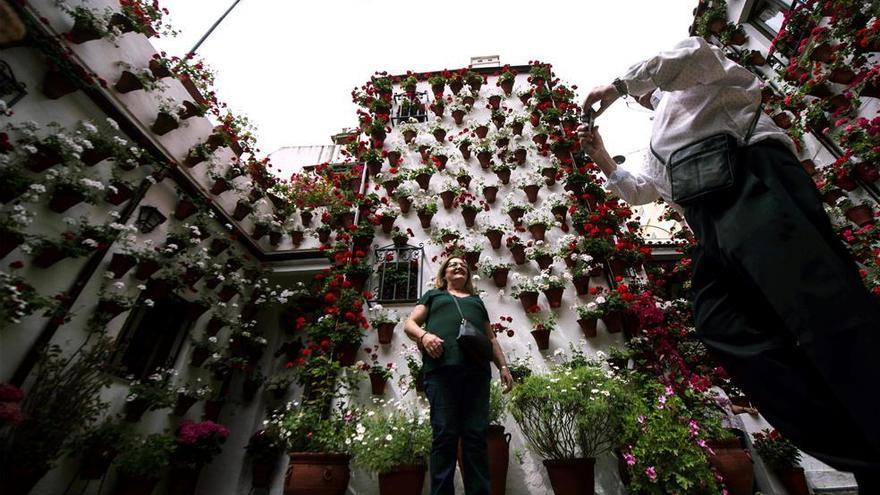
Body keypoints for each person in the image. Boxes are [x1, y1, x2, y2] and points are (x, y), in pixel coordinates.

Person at [578, 36, 880, 489]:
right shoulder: (658, 134)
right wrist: (601, 155)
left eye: (641, 84)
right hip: (708, 221)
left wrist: (618, 85)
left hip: (750, 182)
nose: (639, 93)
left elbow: (691, 54)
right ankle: (859, 449)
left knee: (820, 310)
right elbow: (646, 190)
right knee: (722, 325)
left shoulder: (702, 78)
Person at [404, 256, 514, 495]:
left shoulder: (476, 301)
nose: (459, 266)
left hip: (476, 374)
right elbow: (410, 323)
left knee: (475, 438)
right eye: (453, 264)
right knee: (444, 435)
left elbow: (491, 338)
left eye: (463, 265)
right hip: (441, 373)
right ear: (444, 274)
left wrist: (503, 367)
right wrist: (424, 336)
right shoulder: (434, 296)